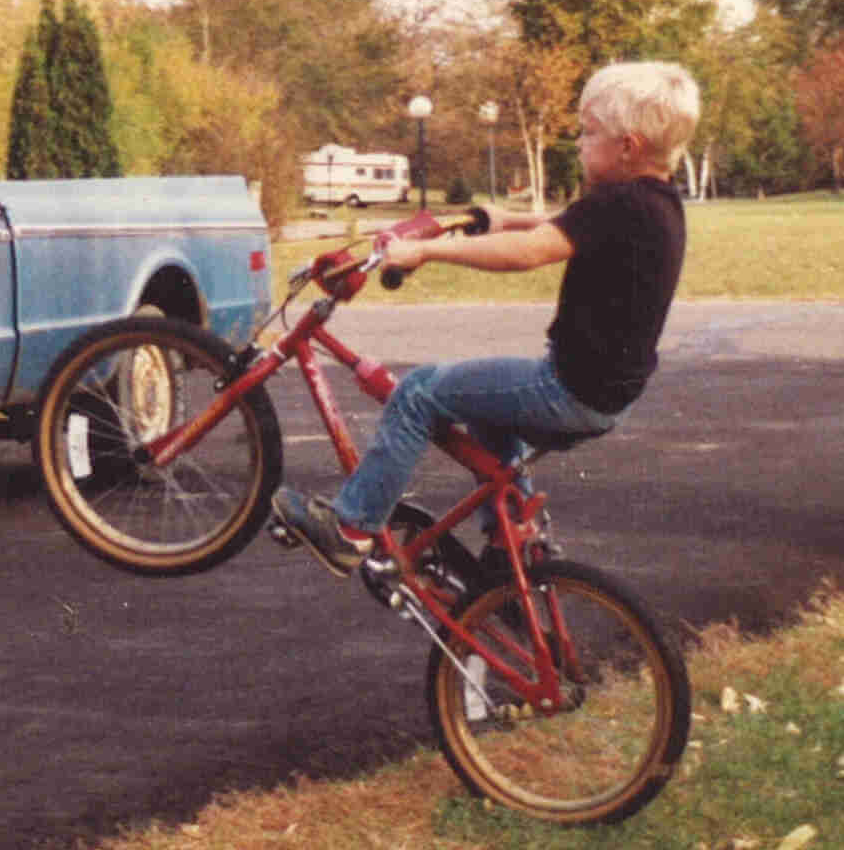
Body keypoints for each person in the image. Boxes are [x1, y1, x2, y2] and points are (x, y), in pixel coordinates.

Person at [274, 58, 702, 578]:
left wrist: (426, 254)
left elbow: (529, 251)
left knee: (422, 391)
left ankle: (351, 529)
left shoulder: (617, 206)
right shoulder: (654, 203)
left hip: (567, 390)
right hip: (603, 395)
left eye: (589, 133)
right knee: (485, 409)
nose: (580, 143)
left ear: (628, 146)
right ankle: (515, 542)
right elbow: (555, 226)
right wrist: (498, 218)